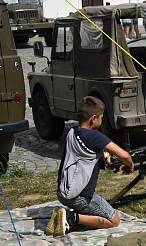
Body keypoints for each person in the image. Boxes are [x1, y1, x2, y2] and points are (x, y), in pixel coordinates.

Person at [45, 96, 133, 236]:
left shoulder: (72, 132)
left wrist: (104, 156)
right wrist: (130, 165)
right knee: (114, 220)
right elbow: (124, 156)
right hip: (79, 196)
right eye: (101, 117)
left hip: (63, 191)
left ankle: (71, 216)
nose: (101, 120)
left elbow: (86, 154)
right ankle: (72, 217)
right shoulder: (95, 137)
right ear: (93, 118)